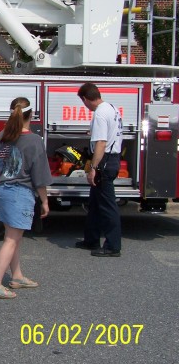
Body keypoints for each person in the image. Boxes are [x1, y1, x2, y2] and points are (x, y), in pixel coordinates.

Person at [0, 97, 51, 299]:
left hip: (1, 191)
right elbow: (39, 175)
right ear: (31, 115)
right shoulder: (33, 140)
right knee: (12, 240)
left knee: (12, 237)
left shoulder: (1, 137)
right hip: (19, 193)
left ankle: (17, 276)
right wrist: (45, 201)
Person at [75, 82, 123, 257]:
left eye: (83, 102)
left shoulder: (100, 114)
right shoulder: (111, 108)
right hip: (112, 158)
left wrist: (93, 168)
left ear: (86, 99)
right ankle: (91, 240)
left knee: (108, 206)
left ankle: (113, 246)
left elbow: (101, 143)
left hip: (105, 161)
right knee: (94, 204)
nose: (85, 105)